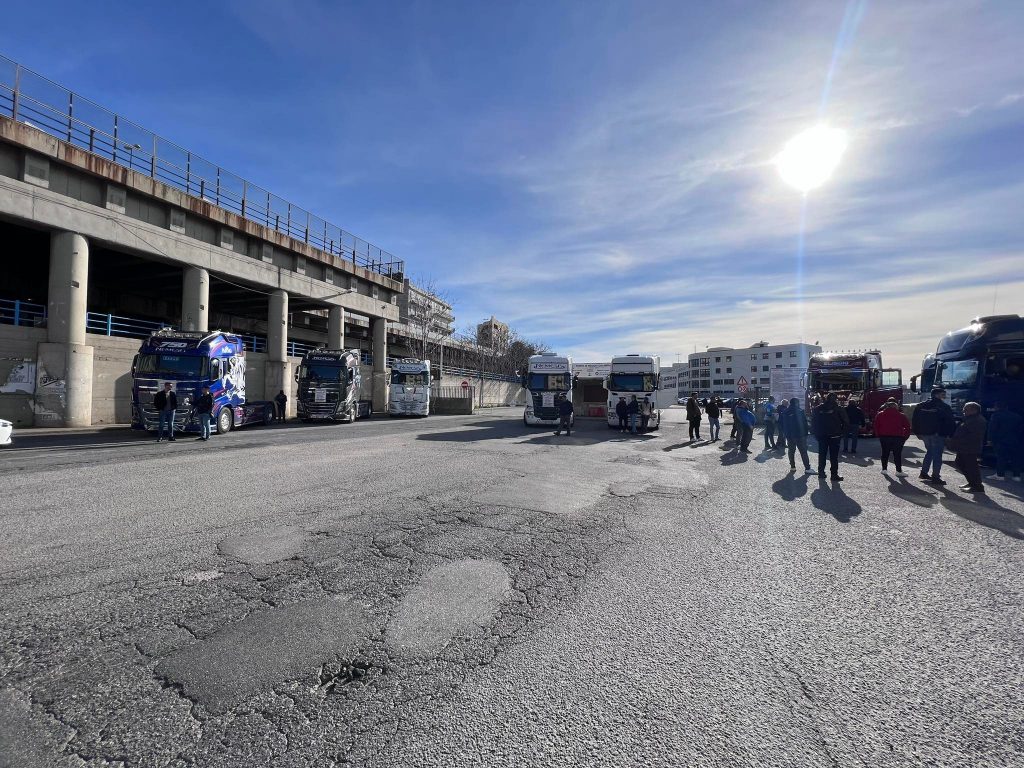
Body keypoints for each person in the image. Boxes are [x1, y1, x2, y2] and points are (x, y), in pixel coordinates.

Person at [911, 387, 956, 485]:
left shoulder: (920, 406)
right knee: (937, 456)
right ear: (937, 395)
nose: (944, 396)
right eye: (942, 394)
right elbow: (950, 422)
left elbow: (915, 420)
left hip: (924, 434)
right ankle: (935, 477)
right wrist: (950, 434)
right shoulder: (944, 407)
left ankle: (924, 473)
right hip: (938, 434)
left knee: (930, 452)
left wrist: (917, 432)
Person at [946, 402, 987, 493]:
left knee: (971, 466)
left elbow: (973, 436)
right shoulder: (970, 419)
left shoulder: (977, 420)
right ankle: (972, 483)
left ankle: (977, 486)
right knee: (960, 463)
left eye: (966, 409)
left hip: (969, 447)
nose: (963, 410)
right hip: (964, 447)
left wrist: (958, 441)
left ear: (974, 410)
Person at [812, 392, 849, 480]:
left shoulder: (818, 408)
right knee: (834, 456)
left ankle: (821, 473)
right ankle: (834, 475)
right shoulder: (839, 409)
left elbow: (814, 422)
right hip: (835, 435)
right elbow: (846, 422)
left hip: (822, 435)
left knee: (822, 455)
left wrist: (816, 434)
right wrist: (842, 433)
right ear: (836, 399)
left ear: (826, 398)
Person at [873, 398, 910, 476]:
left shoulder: (880, 414)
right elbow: (907, 426)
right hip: (898, 437)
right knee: (897, 454)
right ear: (896, 407)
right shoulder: (901, 415)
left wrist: (878, 434)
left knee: (885, 453)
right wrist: (905, 437)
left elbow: (876, 425)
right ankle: (898, 471)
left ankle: (884, 469)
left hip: (884, 436)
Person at [987, 401, 1023, 481]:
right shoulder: (1017, 416)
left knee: (1001, 458)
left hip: (1000, 440)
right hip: (1015, 440)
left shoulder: (996, 415)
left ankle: (1000, 475)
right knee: (1015, 458)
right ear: (1007, 407)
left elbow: (992, 429)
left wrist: (989, 439)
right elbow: (1020, 430)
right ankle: (1016, 476)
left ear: (996, 407)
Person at [781, 398, 812, 472]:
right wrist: (806, 433)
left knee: (791, 451)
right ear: (797, 403)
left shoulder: (785, 412)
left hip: (789, 435)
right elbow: (804, 423)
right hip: (799, 435)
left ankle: (792, 467)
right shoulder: (800, 411)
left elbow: (782, 424)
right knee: (803, 451)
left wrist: (785, 433)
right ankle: (807, 468)